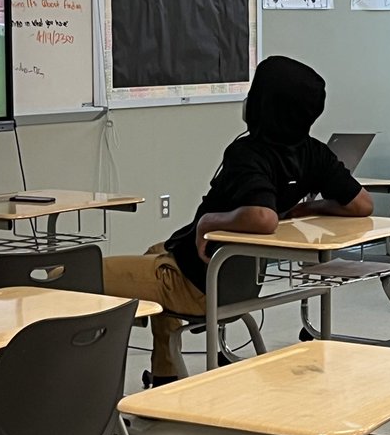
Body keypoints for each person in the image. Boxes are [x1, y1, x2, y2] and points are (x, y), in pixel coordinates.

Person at [103, 55, 373, 382]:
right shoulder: (312, 152)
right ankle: (165, 379)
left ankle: (90, 397)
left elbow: (263, 218)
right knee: (155, 250)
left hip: (195, 281)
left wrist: (207, 223)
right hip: (238, 283)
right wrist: (307, 208)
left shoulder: (249, 154)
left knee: (78, 275)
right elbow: (361, 204)